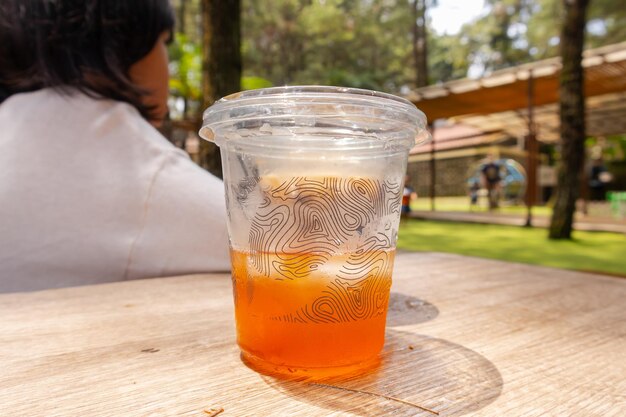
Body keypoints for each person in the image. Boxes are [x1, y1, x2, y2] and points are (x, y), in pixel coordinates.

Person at [0, 1, 230, 292]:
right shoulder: (131, 159)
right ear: (124, 43)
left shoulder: (11, 119)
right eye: (163, 42)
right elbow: (267, 236)